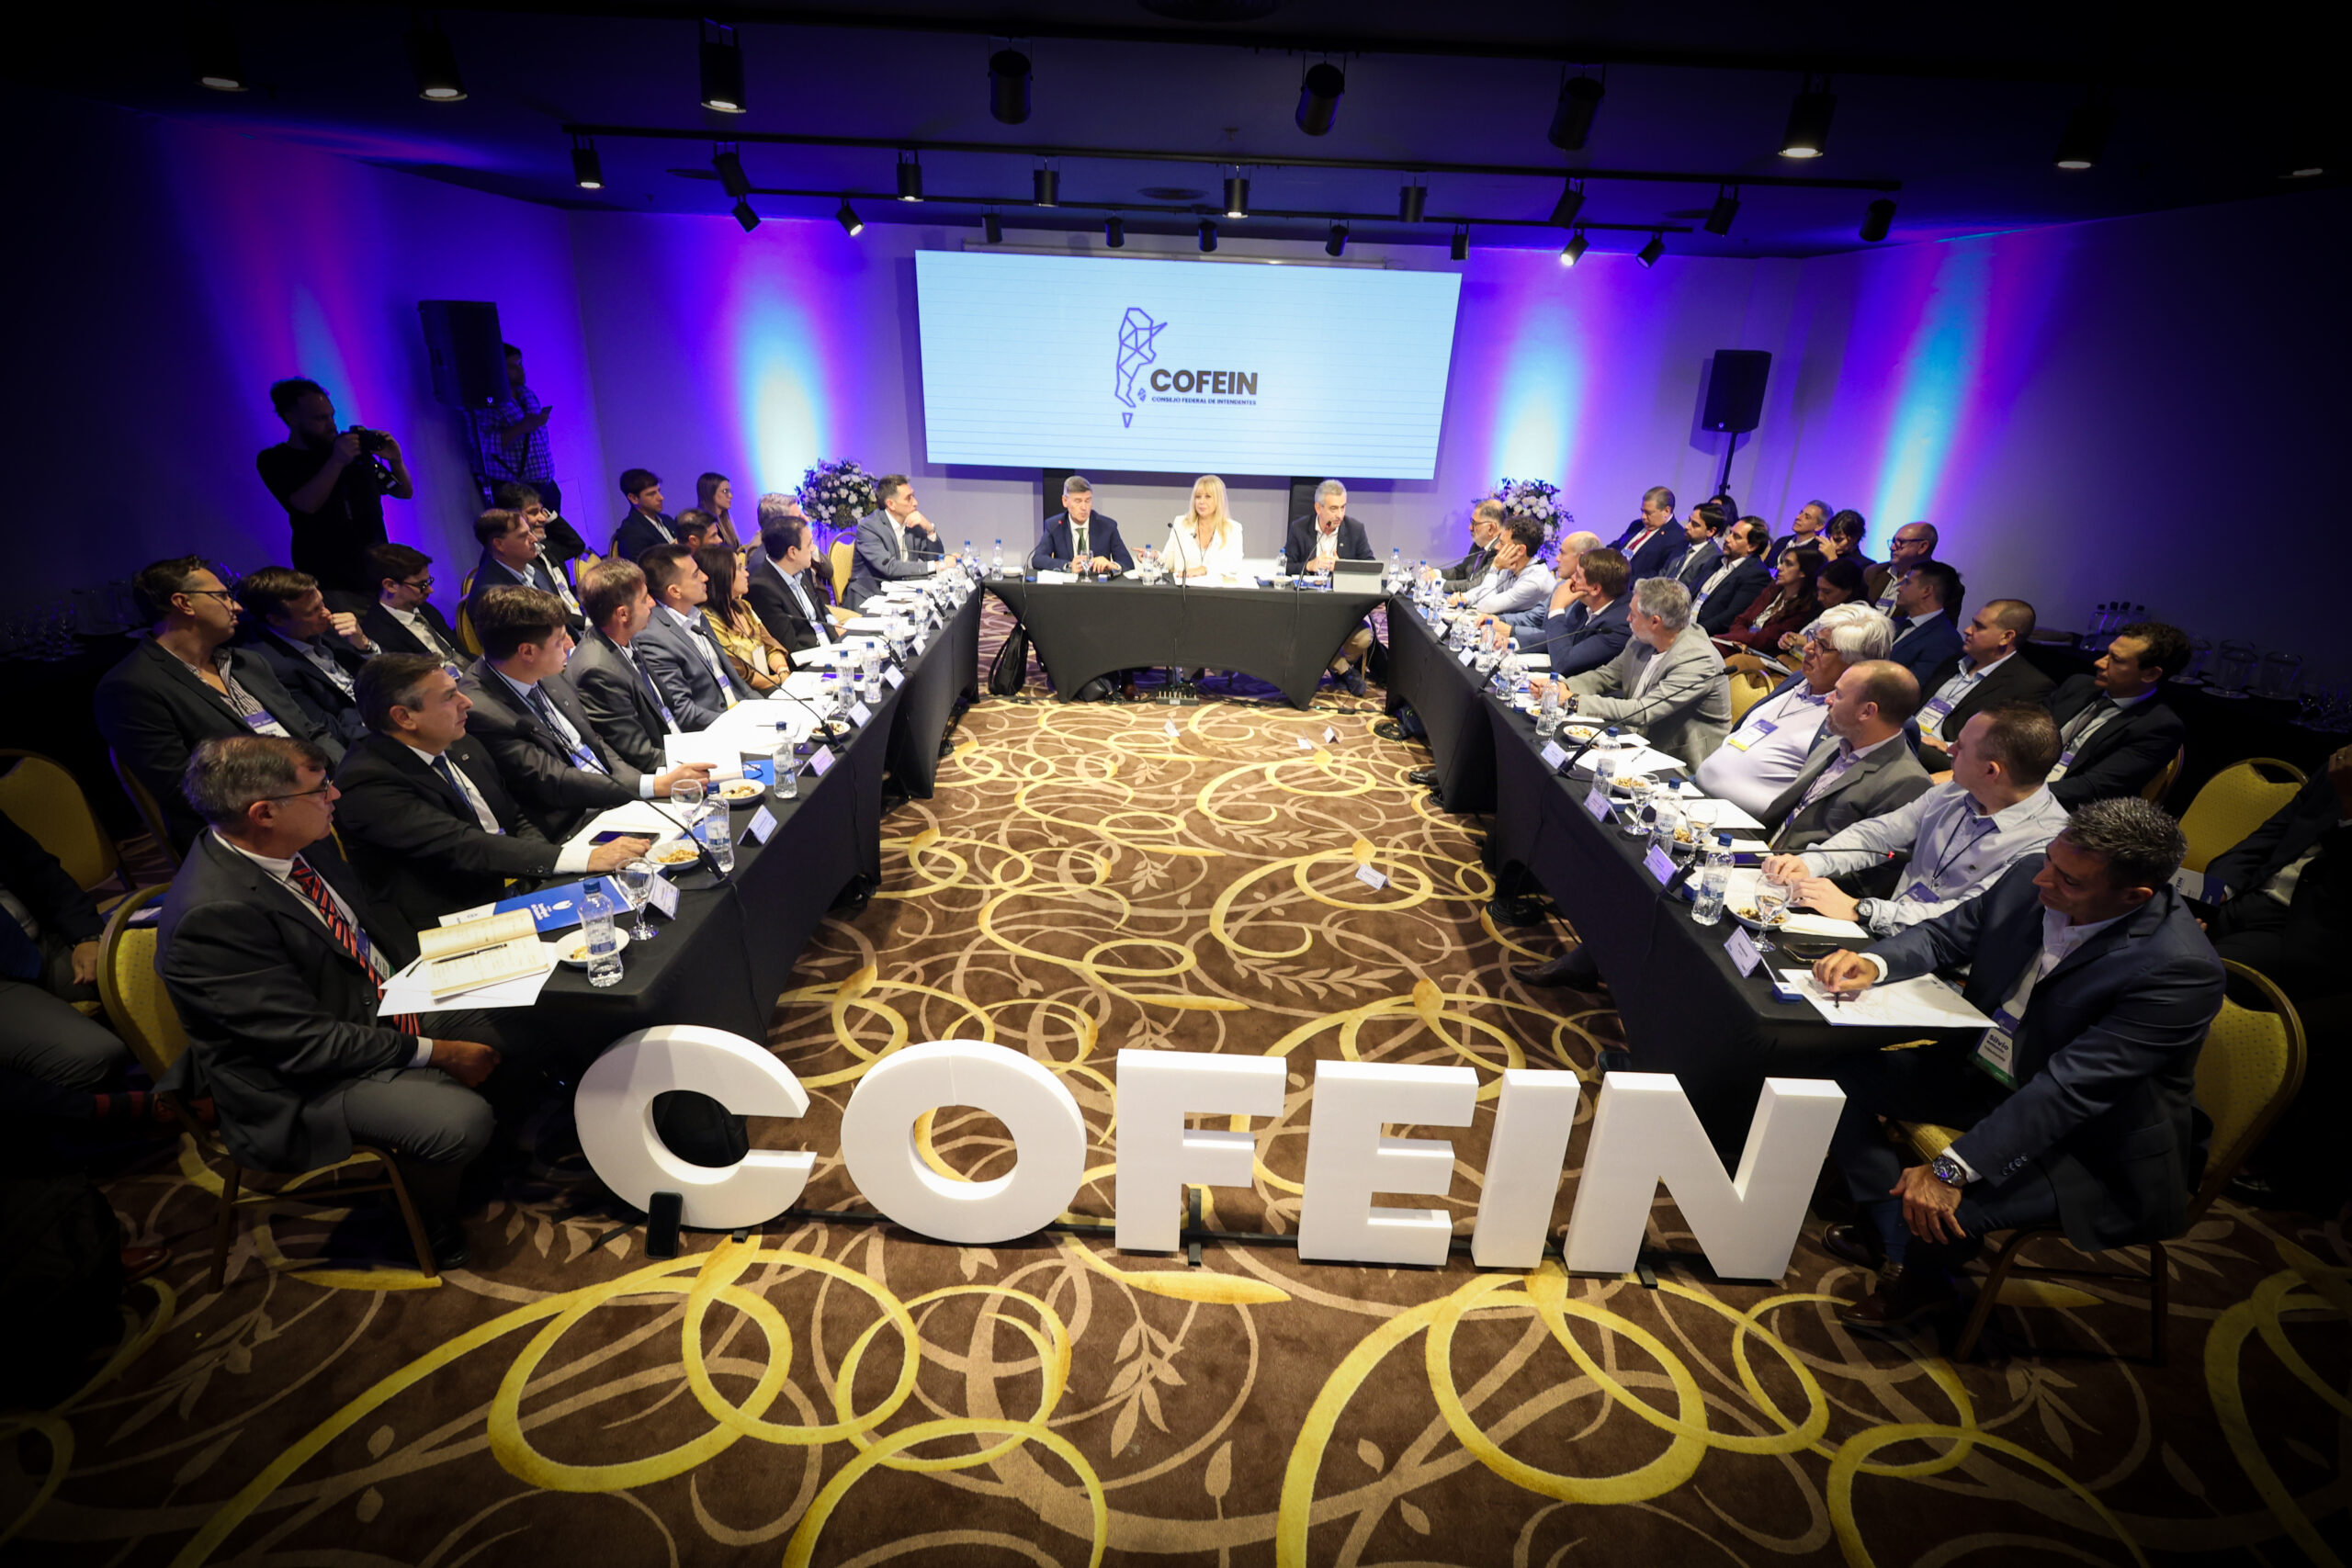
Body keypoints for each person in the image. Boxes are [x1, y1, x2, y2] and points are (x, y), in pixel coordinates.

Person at [1809, 798, 2223, 1330]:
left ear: (2134, 896)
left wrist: (1951, 1168)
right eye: (2050, 860)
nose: (2042, 880)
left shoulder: (2177, 969)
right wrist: (1875, 962)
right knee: (1835, 1075)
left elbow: (2069, 1090)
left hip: (2088, 1143)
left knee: (1950, 1208)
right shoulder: (2034, 875)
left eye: (2068, 880)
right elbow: (1945, 934)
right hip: (1993, 1077)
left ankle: (1916, 1288)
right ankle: (1894, 1235)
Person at [156, 735, 523, 1268]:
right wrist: (439, 1052)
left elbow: (367, 926)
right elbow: (304, 1045)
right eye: (319, 788)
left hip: (365, 1004)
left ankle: (482, 1158)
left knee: (522, 1014)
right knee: (455, 1121)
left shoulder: (297, 840)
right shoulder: (212, 917)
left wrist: (456, 956)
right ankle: (422, 1225)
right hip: (295, 1083)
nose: (335, 795)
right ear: (264, 813)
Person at [332, 655, 650, 930]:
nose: (466, 702)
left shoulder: (457, 741)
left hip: (520, 885)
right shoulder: (367, 783)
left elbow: (512, 815)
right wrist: (579, 859)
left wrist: (548, 880)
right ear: (404, 717)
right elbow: (464, 845)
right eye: (449, 697)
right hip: (456, 921)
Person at [1764, 703, 2070, 934]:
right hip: (1885, 932)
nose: (1950, 749)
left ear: (1991, 771)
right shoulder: (1953, 791)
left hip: (1943, 968)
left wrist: (1861, 909)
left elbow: (1963, 916)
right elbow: (1878, 835)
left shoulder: (2046, 845)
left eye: (1962, 747)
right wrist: (1811, 863)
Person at [96, 557, 334, 852]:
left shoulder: (249, 663)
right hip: (247, 833)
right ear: (184, 603)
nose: (237, 607)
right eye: (221, 596)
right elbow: (184, 789)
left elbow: (309, 732)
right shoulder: (131, 686)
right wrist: (297, 796)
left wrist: (347, 778)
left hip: (316, 797)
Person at [457, 586, 709, 840]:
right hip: (573, 826)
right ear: (527, 652)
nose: (570, 644)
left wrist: (648, 785)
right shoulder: (482, 710)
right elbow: (554, 780)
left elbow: (595, 743)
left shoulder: (544, 669)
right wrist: (652, 786)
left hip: (616, 798)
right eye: (560, 640)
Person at [1694, 603, 1894, 818]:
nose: (1807, 649)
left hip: (1739, 823)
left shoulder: (1851, 719)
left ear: (1855, 665)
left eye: (1822, 646)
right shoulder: (1798, 680)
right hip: (1697, 790)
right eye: (1813, 638)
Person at [0, 812, 128, 1100]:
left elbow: (40, 870)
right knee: (95, 1055)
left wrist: (86, 936)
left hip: (40, 939)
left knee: (167, 973)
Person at [254, 378, 413, 596]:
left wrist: (396, 460)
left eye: (331, 416)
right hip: (329, 577)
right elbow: (306, 505)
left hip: (377, 567)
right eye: (320, 418)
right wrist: (337, 461)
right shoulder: (276, 459)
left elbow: (403, 491)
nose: (331, 425)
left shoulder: (349, 451)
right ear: (291, 418)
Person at [1555, 577, 1731, 770]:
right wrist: (1563, 687)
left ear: (1655, 621)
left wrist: (1574, 700)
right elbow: (1607, 676)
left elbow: (1643, 711)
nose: (1627, 619)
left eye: (1633, 614)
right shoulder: (1642, 640)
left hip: (1678, 763)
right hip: (1633, 741)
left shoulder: (1698, 660)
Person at [1760, 660, 1930, 852]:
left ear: (1867, 711)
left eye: (1839, 694)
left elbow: (1881, 861)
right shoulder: (1833, 744)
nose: (1828, 699)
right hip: (1763, 850)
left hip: (1801, 868)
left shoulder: (1907, 783)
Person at [2043, 621, 2190, 807]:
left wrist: (2022, 796)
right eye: (2107, 653)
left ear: (2151, 674)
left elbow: (2095, 788)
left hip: (2066, 807)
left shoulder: (2158, 726)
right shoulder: (2078, 686)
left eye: (2117, 660)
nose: (2099, 662)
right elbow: (2022, 732)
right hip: (2022, 781)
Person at [234, 566, 377, 745]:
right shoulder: (271, 666)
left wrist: (364, 644)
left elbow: (390, 670)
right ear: (277, 620)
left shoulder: (324, 624)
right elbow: (327, 730)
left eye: (322, 603)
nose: (326, 613)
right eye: (313, 611)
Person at [569, 558, 688, 772]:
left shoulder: (624, 637)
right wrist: (697, 758)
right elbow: (640, 756)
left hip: (676, 746)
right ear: (623, 614)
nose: (652, 603)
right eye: (644, 599)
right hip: (661, 772)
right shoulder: (598, 671)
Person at [1916, 600, 2055, 761]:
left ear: (2006, 637)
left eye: (1979, 627)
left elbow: (2005, 746)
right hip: (1910, 737)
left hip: (1949, 759)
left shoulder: (2029, 686)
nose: (1967, 630)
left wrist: (1949, 747)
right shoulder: (1954, 660)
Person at [635, 544, 752, 726]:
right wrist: (741, 724)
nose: (706, 577)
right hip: (717, 728)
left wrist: (769, 708)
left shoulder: (697, 615)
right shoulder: (653, 637)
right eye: (696, 574)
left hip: (742, 712)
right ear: (675, 591)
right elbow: (684, 712)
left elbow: (739, 685)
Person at [467, 344, 560, 521]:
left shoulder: (526, 393)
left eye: (520, 364)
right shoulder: (487, 404)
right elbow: (484, 445)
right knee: (529, 536)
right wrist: (523, 427)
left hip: (545, 485)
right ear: (497, 369)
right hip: (517, 491)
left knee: (559, 534)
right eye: (512, 366)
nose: (520, 370)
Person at [466, 508, 583, 642]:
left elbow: (560, 619)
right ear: (499, 544)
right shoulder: (491, 596)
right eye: (523, 536)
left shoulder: (533, 569)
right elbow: (518, 647)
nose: (534, 539)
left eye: (530, 532)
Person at [695, 540, 792, 694]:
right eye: (740, 568)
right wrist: (779, 680)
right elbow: (743, 677)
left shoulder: (743, 606)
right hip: (748, 696)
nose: (747, 573)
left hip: (773, 685)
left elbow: (771, 647)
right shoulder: (709, 621)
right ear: (722, 576)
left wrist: (783, 671)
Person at [746, 510, 841, 660]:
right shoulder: (762, 589)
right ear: (792, 552)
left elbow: (819, 609)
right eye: (809, 544)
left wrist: (839, 635)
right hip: (811, 661)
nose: (813, 549)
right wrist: (830, 654)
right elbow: (791, 648)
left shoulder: (801, 568)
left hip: (831, 646)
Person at [1524, 546, 1632, 677]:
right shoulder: (1585, 603)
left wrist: (1557, 607)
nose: (1572, 578)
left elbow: (1563, 664)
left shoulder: (1619, 625)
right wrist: (1513, 643)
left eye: (1578, 576)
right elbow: (1561, 639)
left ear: (1595, 589)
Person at [356, 544, 465, 666]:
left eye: (428, 582)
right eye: (421, 585)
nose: (430, 590)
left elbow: (460, 653)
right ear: (390, 586)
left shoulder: (425, 608)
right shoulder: (379, 632)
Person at [846, 473, 944, 608]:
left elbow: (936, 558)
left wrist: (930, 529)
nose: (915, 503)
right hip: (870, 597)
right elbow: (890, 567)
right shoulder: (869, 527)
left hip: (902, 594)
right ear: (891, 504)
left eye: (913, 496)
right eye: (909, 498)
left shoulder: (912, 524)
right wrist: (937, 565)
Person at [1720, 544, 1823, 653]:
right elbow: (1741, 620)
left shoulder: (1803, 608)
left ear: (1804, 572)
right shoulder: (1773, 589)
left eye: (1788, 564)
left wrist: (1738, 639)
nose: (1779, 567)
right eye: (1782, 562)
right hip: (1738, 642)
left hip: (1759, 653)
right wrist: (1736, 638)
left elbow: (1766, 640)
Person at [1883, 560, 1965, 690]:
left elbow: (1910, 687)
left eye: (1907, 583)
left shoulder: (1945, 640)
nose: (1899, 588)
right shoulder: (1896, 623)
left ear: (1926, 591)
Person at [492, 480, 591, 585]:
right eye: (533, 513)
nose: (543, 518)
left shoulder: (545, 547)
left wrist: (551, 517)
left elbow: (576, 545)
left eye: (541, 511)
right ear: (512, 518)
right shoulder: (518, 559)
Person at [1456, 515, 1555, 617]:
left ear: (1520, 550)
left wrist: (1495, 568)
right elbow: (1488, 590)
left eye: (1502, 543)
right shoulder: (1512, 565)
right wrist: (1465, 597)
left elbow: (1485, 606)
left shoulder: (1534, 582)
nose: (1496, 547)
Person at [1034, 475, 1135, 574]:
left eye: (1088, 501)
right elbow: (1038, 559)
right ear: (1065, 501)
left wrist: (1112, 565)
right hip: (1068, 584)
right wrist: (1068, 566)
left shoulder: (1107, 526)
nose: (1084, 507)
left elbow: (1127, 563)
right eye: (1078, 501)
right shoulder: (1055, 525)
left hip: (1098, 583)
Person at [1690, 517, 1773, 637]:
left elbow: (1731, 618)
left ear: (1752, 546)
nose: (1727, 539)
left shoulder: (1756, 574)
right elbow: (1691, 593)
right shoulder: (1715, 561)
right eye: (1730, 533)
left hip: (1707, 635)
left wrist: (1694, 632)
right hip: (1684, 624)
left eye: (1736, 537)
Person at [1162, 475, 1247, 582]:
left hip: (1215, 590)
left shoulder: (1233, 529)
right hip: (1184, 589)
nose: (1201, 501)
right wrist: (1153, 557)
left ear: (1219, 500)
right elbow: (1168, 560)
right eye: (1198, 497)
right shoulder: (1181, 523)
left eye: (1208, 497)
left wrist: (1203, 570)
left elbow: (1234, 565)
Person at [1281, 479, 1373, 574]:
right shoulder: (1299, 528)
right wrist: (1309, 566)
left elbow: (1372, 567)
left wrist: (1343, 567)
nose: (1340, 515)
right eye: (1333, 509)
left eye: (1342, 507)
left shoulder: (1355, 530)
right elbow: (1285, 566)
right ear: (1318, 508)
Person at [1612, 486, 1685, 583]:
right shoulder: (1637, 525)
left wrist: (1623, 581)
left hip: (1632, 586)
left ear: (1666, 511)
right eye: (1642, 511)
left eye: (1648, 513)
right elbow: (1616, 546)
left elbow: (1659, 574)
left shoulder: (1677, 537)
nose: (1643, 517)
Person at [1866, 522, 1939, 614]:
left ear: (1922, 547)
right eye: (1893, 541)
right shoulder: (1874, 572)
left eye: (1900, 542)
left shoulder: (1939, 586)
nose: (1892, 548)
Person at [1431, 501, 1505, 586]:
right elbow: (1461, 571)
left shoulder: (1499, 550)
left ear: (1491, 528)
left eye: (1475, 523)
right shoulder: (1479, 544)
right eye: (1471, 522)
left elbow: (1475, 585)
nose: (1470, 528)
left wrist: (1437, 583)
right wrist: (1434, 573)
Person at [612, 468, 678, 561]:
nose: (661, 498)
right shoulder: (631, 532)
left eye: (659, 491)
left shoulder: (667, 519)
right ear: (634, 498)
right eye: (652, 494)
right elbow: (641, 568)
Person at [1668, 502, 1729, 592]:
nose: (1687, 526)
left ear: (1710, 531)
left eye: (1695, 524)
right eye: (1689, 521)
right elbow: (1664, 573)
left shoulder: (1713, 558)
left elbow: (1694, 591)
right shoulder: (1680, 544)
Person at [1763, 500, 1829, 570]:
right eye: (1801, 513)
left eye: (1807, 517)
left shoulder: (1818, 551)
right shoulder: (1782, 541)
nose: (1798, 517)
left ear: (1819, 526)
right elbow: (1764, 569)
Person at [695, 472, 741, 552]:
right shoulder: (704, 525)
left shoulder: (726, 521)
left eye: (730, 491)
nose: (730, 496)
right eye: (725, 491)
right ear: (710, 494)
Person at [1820, 509, 1872, 573]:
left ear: (1854, 538)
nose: (1832, 544)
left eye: (1839, 540)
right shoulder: (1820, 557)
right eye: (1828, 538)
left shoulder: (1866, 566)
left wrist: (1832, 560)